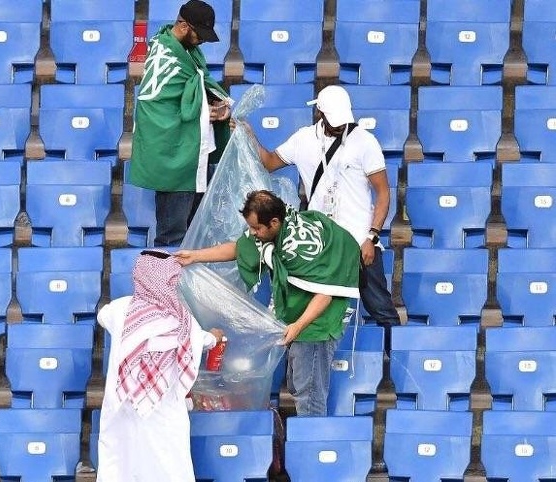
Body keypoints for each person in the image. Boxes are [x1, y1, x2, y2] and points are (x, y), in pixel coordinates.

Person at [235, 84, 401, 342]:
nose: (338, 126)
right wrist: (248, 134)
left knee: (379, 305)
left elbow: (383, 193)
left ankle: (393, 361)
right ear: (319, 114)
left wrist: (373, 235)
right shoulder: (303, 139)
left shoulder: (365, 142)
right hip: (318, 243)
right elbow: (268, 163)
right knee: (305, 306)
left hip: (358, 240)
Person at [176, 190, 360, 416]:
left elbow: (324, 294)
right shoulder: (274, 228)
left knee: (309, 393)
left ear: (274, 222)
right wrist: (195, 256)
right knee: (297, 383)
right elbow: (240, 248)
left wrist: (298, 326)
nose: (252, 233)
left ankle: (309, 446)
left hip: (317, 323)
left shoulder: (299, 248)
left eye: (256, 229)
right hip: (297, 315)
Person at [96, 250, 223, 482]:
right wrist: (215, 336)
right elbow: (206, 341)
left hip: (121, 409)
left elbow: (102, 316)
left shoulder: (120, 310)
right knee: (168, 467)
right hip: (165, 415)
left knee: (120, 466)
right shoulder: (184, 322)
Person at [130, 0, 232, 247]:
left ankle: (187, 286)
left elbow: (199, 85)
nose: (203, 41)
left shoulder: (189, 51)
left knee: (196, 236)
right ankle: (164, 286)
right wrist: (203, 114)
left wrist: (216, 106)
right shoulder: (164, 57)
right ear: (184, 26)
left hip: (196, 154)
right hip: (175, 161)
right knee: (172, 236)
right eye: (200, 34)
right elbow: (155, 108)